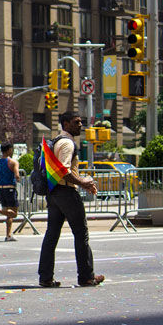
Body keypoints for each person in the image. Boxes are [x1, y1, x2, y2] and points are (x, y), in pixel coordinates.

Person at [37, 111, 104, 288]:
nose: (80, 125)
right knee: (81, 233)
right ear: (65, 124)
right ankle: (86, 276)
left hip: (54, 193)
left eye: (81, 122)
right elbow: (63, 171)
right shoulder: (67, 143)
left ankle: (45, 277)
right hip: (66, 192)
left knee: (51, 235)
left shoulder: (57, 141)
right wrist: (83, 182)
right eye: (76, 122)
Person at [0, 142, 21, 242]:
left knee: (8, 213)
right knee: (14, 213)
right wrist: (18, 178)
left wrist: (0, 178)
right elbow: (17, 176)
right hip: (10, 188)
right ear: (9, 150)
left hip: (0, 189)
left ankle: (8, 235)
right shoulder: (13, 162)